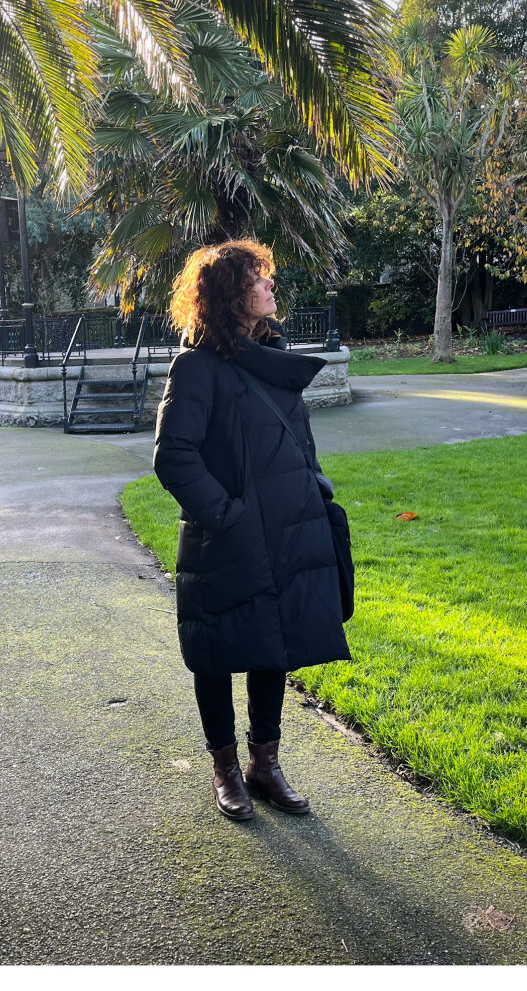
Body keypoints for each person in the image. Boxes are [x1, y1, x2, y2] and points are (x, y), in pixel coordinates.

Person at [153, 239, 351, 821]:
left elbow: (298, 443)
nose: (270, 287)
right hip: (226, 538)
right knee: (215, 652)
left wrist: (315, 488)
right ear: (230, 295)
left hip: (287, 529)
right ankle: (225, 768)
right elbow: (174, 456)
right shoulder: (195, 368)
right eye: (258, 280)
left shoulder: (272, 358)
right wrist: (227, 516)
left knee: (273, 644)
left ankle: (266, 765)